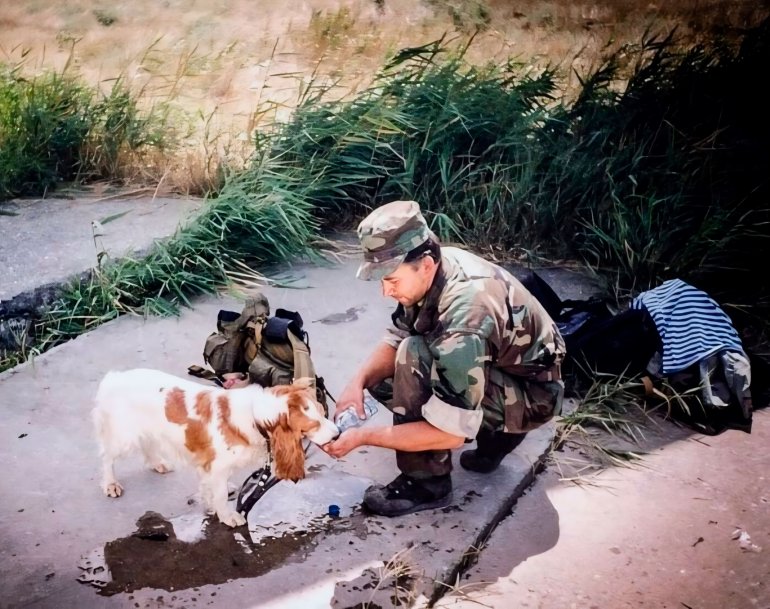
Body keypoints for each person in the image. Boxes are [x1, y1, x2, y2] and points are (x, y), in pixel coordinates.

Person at [322, 200, 566, 517]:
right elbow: (397, 334)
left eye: (391, 280)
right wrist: (356, 384)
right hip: (504, 370)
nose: (385, 292)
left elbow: (451, 433)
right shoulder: (432, 266)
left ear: (424, 264)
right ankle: (498, 437)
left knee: (414, 356)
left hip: (534, 394)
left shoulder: (466, 313)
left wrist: (365, 437)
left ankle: (426, 484)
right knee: (386, 373)